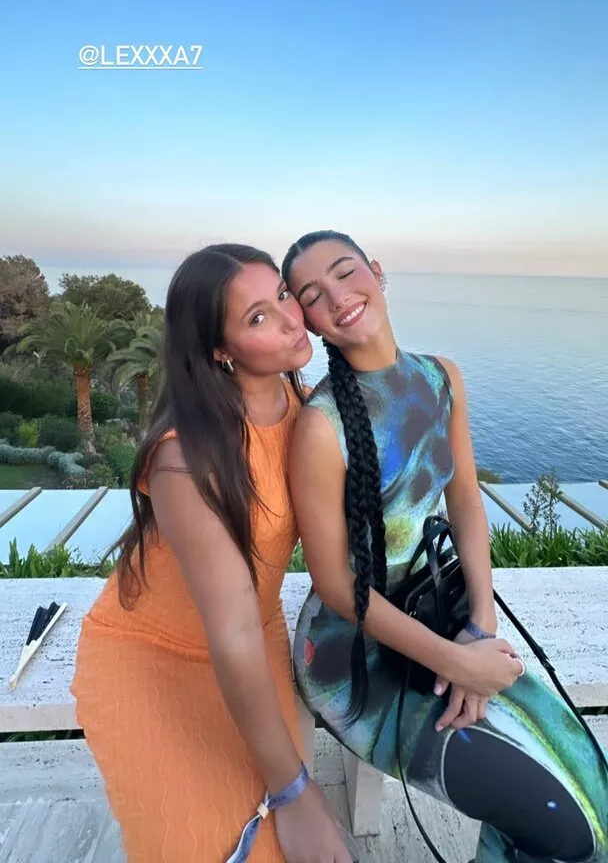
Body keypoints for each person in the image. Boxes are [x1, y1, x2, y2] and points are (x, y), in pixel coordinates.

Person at [282, 230, 608, 863]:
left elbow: (465, 502)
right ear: (310, 321)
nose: (338, 297)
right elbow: (336, 587)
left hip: (441, 612)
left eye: (346, 273)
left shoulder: (441, 377)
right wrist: (456, 664)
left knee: (592, 784)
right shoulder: (321, 427)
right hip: (355, 660)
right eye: (313, 295)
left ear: (377, 272)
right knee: (562, 828)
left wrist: (480, 629)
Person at [71, 244, 354, 863]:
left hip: (254, 636)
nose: (290, 319)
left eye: (283, 294)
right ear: (221, 350)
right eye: (258, 317)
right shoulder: (183, 458)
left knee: (278, 848)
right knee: (211, 846)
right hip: (153, 653)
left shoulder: (306, 410)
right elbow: (229, 632)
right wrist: (292, 791)